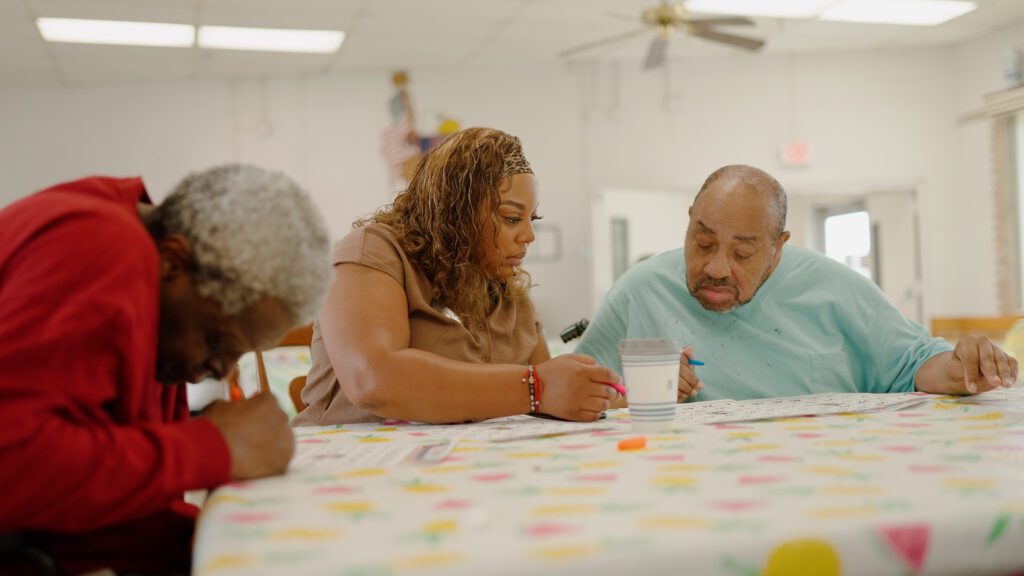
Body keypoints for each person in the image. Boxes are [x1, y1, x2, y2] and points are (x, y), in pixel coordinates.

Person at [0, 164, 331, 575]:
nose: (219, 370)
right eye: (215, 340)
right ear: (174, 262)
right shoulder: (100, 247)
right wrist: (214, 446)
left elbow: (107, 497)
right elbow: (11, 465)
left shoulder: (147, 285)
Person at [577, 164, 1017, 403]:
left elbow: (912, 365)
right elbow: (577, 391)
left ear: (778, 246)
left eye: (743, 253)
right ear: (689, 221)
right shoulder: (639, 290)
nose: (715, 267)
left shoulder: (833, 287)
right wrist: (631, 389)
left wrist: (964, 369)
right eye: (703, 241)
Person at [293, 127, 620, 426]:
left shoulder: (510, 294)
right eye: (511, 218)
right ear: (456, 213)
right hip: (351, 467)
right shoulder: (375, 251)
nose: (529, 235)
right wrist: (537, 387)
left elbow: (550, 400)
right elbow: (372, 380)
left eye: (532, 218)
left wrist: (600, 391)